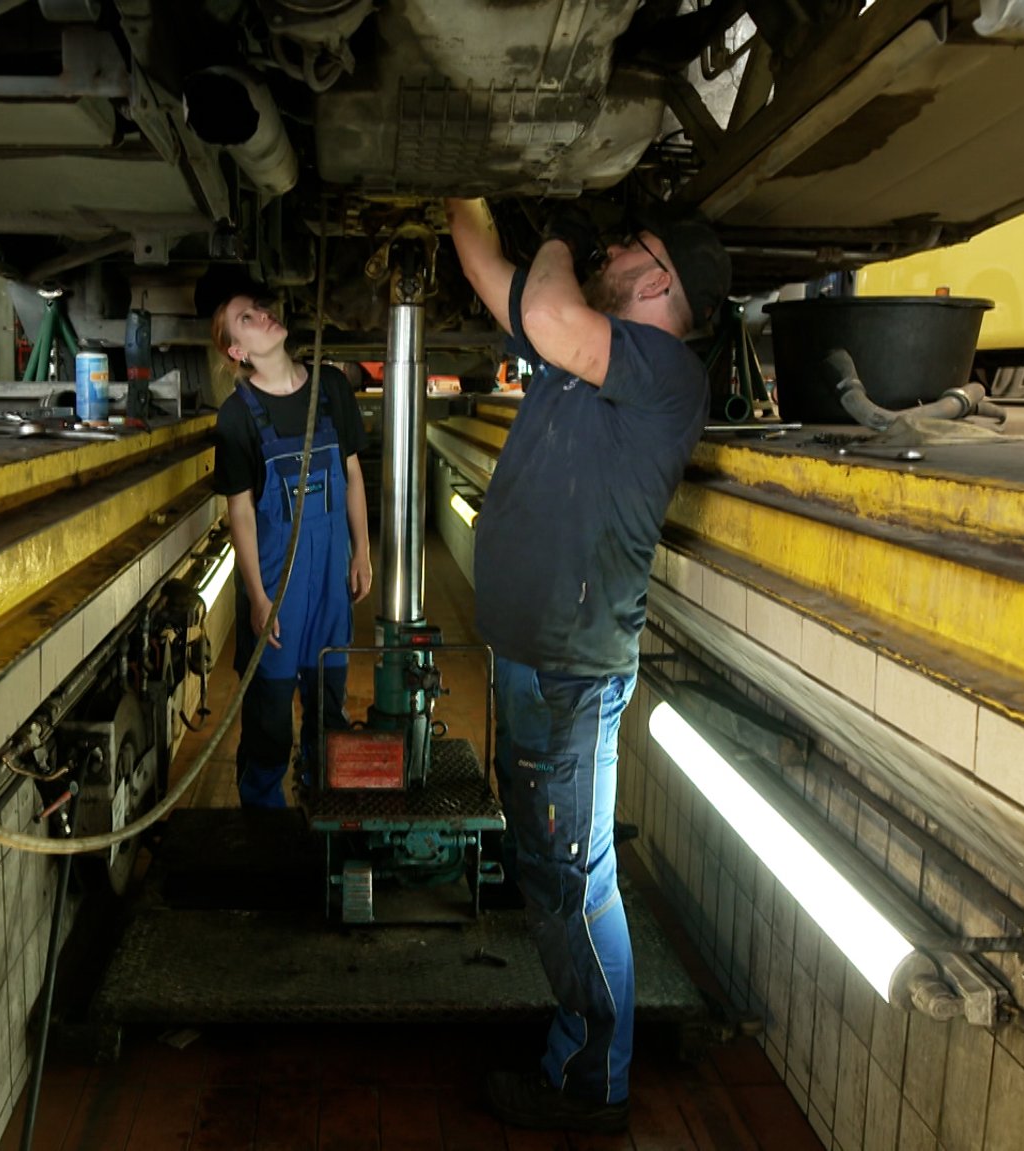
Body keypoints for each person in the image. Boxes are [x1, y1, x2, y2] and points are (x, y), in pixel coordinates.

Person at [444, 196, 729, 1133]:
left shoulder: (662, 370)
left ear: (657, 281)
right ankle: (576, 1039)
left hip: (570, 672)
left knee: (574, 873)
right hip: (536, 657)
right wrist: (462, 195)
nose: (608, 252)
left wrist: (562, 233)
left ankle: (594, 1078)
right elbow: (508, 292)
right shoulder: (589, 359)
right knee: (547, 861)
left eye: (627, 245)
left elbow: (553, 310)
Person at [209, 291, 374, 808]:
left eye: (258, 307)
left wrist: (363, 550)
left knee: (328, 709)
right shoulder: (238, 416)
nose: (263, 315)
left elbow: (351, 472)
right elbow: (240, 512)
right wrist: (257, 596)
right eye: (246, 319)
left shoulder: (330, 387)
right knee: (270, 721)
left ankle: (321, 808)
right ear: (237, 351)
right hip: (278, 590)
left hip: (328, 582)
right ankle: (264, 823)